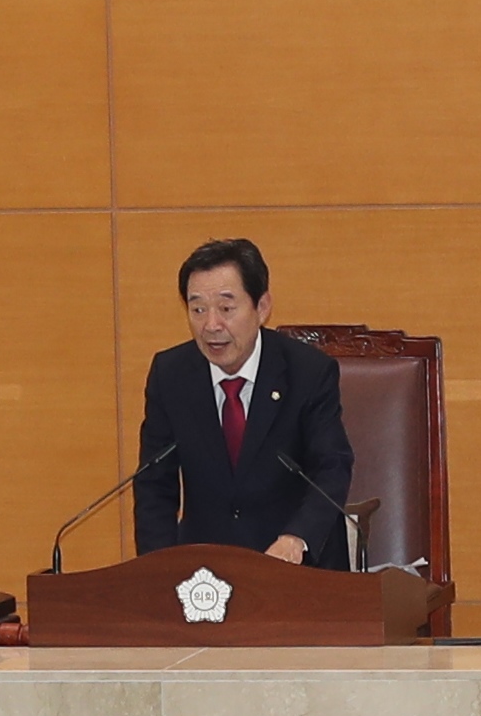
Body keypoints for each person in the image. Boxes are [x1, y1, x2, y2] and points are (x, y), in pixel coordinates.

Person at [130, 238, 353, 564]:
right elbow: (154, 485)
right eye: (198, 309)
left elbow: (331, 468)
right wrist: (160, 569)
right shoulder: (171, 375)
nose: (211, 325)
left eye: (226, 308)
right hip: (204, 575)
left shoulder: (308, 372)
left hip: (296, 568)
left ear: (262, 307)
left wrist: (296, 539)